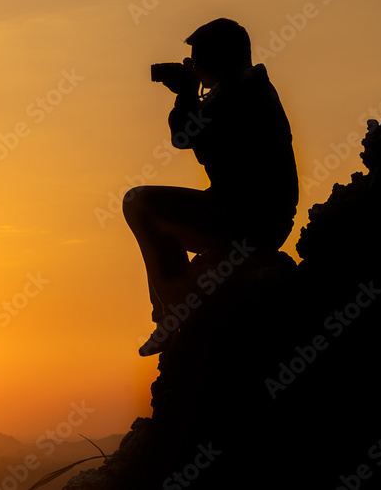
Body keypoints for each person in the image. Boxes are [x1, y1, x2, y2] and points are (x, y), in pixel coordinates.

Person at [122, 18, 298, 356]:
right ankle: (173, 310)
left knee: (139, 203)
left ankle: (174, 310)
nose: (193, 67)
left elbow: (182, 136)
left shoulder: (239, 92)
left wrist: (187, 92)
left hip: (247, 220)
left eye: (195, 60)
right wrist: (190, 93)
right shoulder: (246, 88)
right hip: (253, 216)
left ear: (218, 60)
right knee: (160, 222)